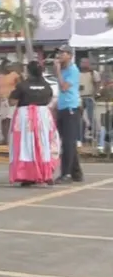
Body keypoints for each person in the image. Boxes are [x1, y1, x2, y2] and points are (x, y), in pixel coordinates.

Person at [9, 61, 59, 186]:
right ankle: (46, 173)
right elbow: (49, 99)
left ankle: (27, 175)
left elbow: (12, 101)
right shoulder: (47, 86)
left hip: (25, 117)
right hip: (42, 115)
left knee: (26, 145)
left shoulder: (22, 85)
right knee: (44, 144)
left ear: (28, 71)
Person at [55, 45, 83, 183]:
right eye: (59, 53)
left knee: (68, 142)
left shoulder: (72, 70)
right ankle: (76, 173)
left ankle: (66, 174)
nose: (59, 55)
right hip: (63, 107)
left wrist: (58, 71)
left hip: (71, 108)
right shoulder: (65, 69)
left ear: (70, 55)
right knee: (68, 142)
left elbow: (64, 87)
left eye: (62, 53)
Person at [0, 62, 21, 145]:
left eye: (9, 66)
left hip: (12, 101)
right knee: (3, 120)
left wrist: (18, 98)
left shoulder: (15, 75)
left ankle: (11, 139)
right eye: (6, 66)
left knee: (9, 120)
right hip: (2, 100)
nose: (8, 68)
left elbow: (20, 86)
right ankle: (5, 138)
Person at [78, 57, 101, 145]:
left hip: (89, 98)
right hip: (80, 98)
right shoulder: (77, 73)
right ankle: (81, 138)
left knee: (91, 118)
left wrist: (95, 94)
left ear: (89, 64)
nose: (83, 64)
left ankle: (94, 136)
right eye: (82, 62)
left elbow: (97, 84)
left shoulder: (93, 73)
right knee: (80, 119)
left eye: (85, 62)